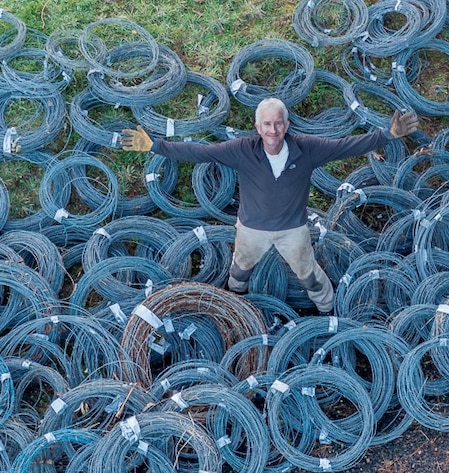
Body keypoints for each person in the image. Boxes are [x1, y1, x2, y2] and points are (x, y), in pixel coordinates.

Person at [121, 97, 419, 314]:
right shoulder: (241, 150)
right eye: (267, 123)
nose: (273, 129)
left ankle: (329, 314)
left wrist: (386, 134)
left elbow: (346, 146)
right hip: (252, 230)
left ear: (287, 125)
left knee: (309, 275)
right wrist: (155, 145)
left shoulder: (307, 149)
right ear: (257, 126)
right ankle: (236, 306)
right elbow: (200, 152)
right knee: (239, 271)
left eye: (278, 123)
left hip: (293, 231)